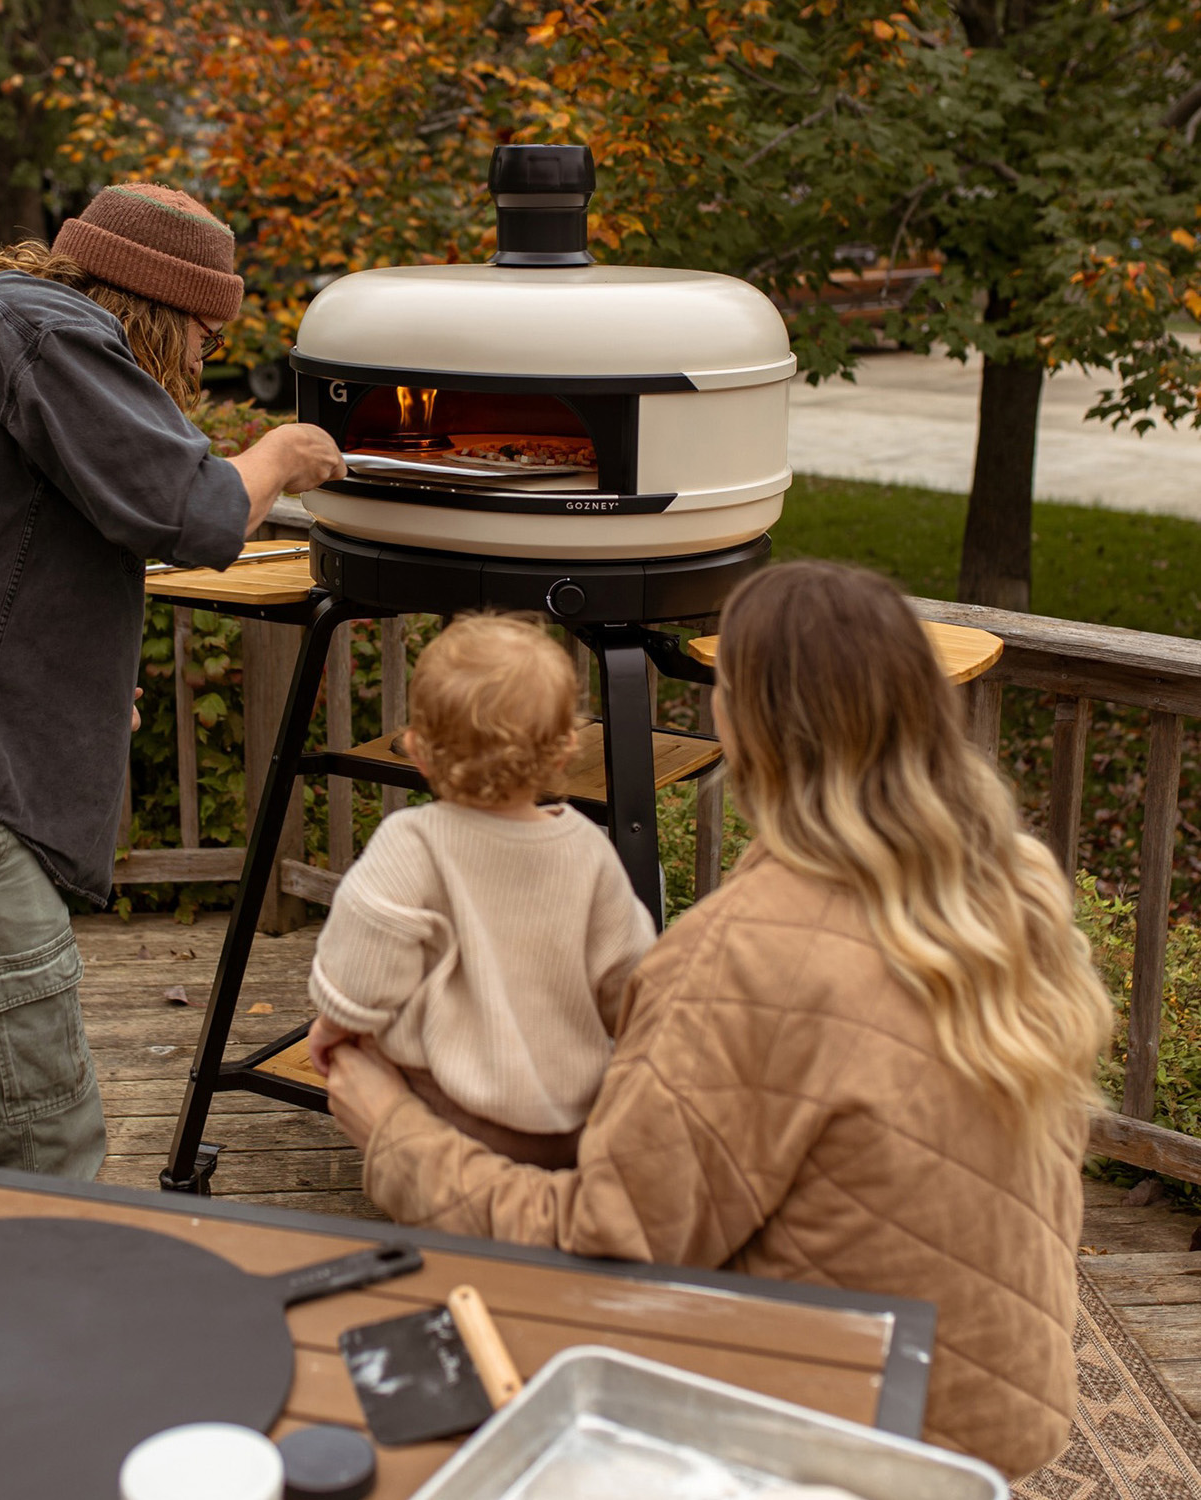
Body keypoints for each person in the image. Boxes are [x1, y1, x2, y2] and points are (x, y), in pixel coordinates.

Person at [324, 561, 1112, 1480]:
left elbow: (599, 1248)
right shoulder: (1009, 884)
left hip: (844, 1425)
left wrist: (393, 1132)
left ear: (749, 726)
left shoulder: (743, 956)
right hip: (991, 1409)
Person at [0, 183, 345, 1179]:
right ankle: (21, 1331)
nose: (201, 365)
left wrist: (67, 683)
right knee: (41, 1153)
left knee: (18, 1140)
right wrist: (281, 455)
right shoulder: (37, 325)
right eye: (206, 336)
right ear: (161, 308)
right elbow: (189, 506)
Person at [306, 612, 655, 1168]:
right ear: (564, 751)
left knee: (376, 1039)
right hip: (571, 1123)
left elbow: (365, 975)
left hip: (446, 1114)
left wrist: (331, 1028)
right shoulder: (588, 850)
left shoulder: (412, 842)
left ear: (417, 750)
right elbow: (630, 982)